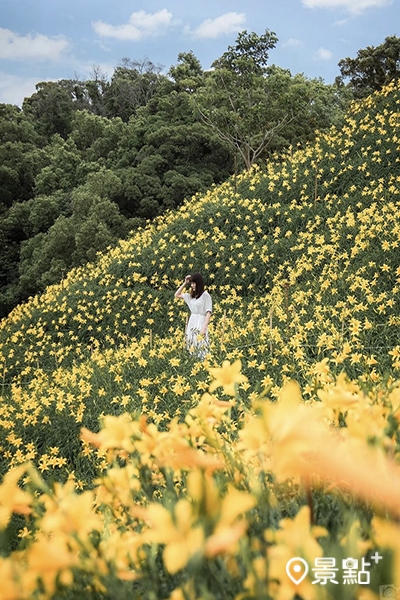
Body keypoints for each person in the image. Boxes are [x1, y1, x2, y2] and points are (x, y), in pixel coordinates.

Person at [174, 272, 212, 359]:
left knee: (201, 344)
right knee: (191, 343)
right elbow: (176, 295)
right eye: (191, 283)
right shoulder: (191, 296)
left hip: (201, 321)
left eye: (194, 283)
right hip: (192, 321)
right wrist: (185, 283)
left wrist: (204, 328)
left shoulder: (205, 295)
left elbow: (208, 312)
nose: (192, 285)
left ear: (198, 284)